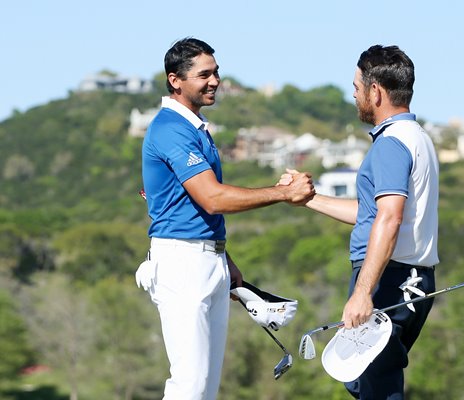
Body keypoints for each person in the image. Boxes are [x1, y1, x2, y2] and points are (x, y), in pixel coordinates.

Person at [139, 37, 315, 400]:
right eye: (204, 74)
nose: (215, 80)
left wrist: (224, 257)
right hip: (182, 264)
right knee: (189, 385)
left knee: (205, 387)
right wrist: (284, 194)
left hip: (207, 260)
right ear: (176, 80)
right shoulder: (171, 127)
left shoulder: (195, 127)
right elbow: (214, 198)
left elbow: (194, 205)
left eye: (216, 72)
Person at [283, 45, 439, 399]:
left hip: (391, 279)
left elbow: (389, 218)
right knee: (367, 385)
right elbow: (371, 213)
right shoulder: (417, 137)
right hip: (409, 277)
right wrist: (307, 198)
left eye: (356, 86)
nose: (353, 93)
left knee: (376, 389)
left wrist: (363, 292)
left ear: (376, 91)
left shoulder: (390, 144)